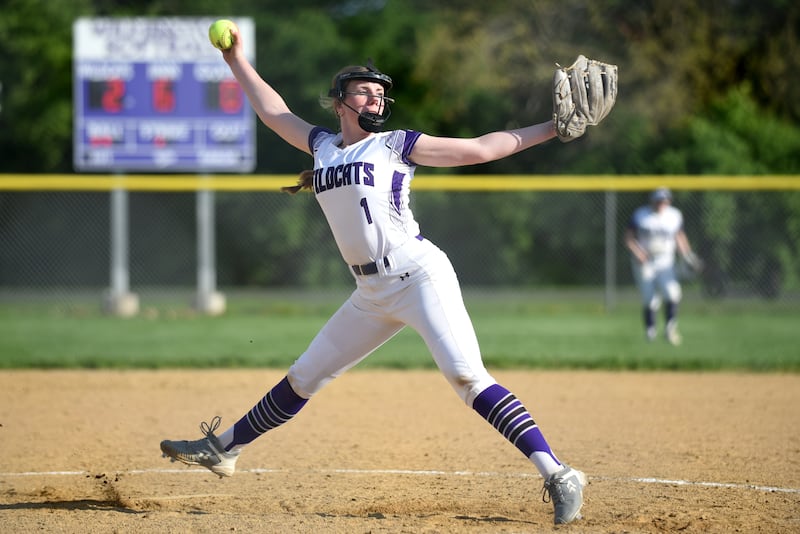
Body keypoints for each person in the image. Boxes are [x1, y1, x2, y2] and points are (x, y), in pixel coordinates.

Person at [160, 27, 587, 525]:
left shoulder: (396, 145)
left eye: (381, 93)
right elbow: (272, 111)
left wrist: (551, 129)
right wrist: (234, 59)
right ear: (340, 102)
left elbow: (481, 149)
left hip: (418, 275)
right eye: (364, 90)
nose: (375, 97)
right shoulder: (322, 146)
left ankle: (559, 473)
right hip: (369, 291)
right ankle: (225, 449)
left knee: (466, 377)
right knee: (304, 376)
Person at [624, 187, 695, 345]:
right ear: (652, 201)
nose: (661, 204)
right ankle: (650, 332)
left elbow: (680, 237)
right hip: (645, 261)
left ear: (668, 201)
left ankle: (670, 329)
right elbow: (628, 238)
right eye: (658, 200)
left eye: (664, 200)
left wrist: (687, 256)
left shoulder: (674, 215)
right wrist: (638, 253)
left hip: (666, 261)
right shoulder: (641, 214)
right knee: (649, 299)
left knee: (672, 293)